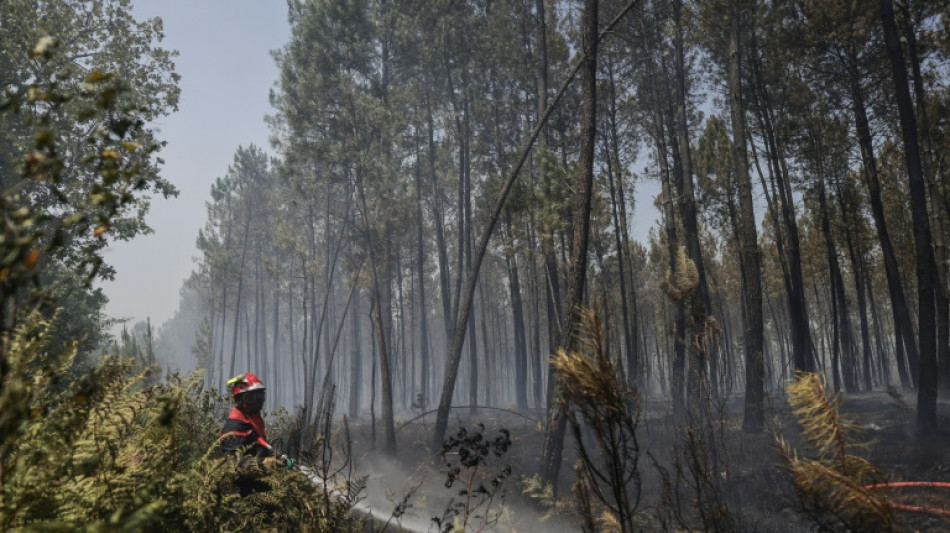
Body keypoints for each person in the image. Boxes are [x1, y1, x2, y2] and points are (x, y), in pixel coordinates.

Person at [221, 372, 274, 460]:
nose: (257, 402)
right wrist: (263, 464)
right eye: (251, 398)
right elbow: (232, 463)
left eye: (260, 397)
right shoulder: (234, 428)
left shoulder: (252, 421)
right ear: (239, 400)